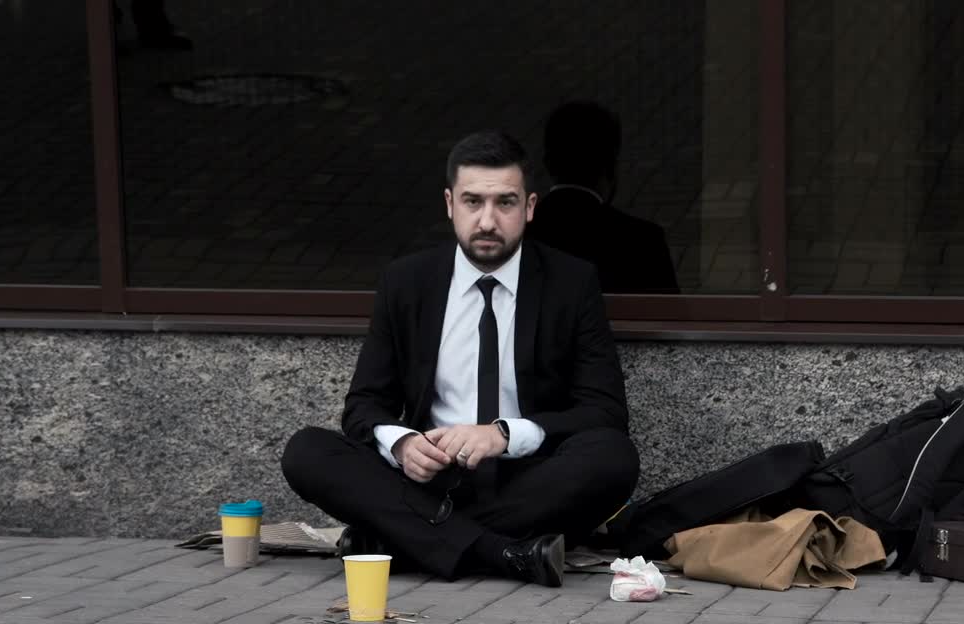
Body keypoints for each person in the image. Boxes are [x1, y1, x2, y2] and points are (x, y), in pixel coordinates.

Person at [281, 131, 640, 587]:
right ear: (450, 204)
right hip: (427, 479)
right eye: (473, 202)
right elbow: (364, 405)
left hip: (526, 480)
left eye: (505, 203)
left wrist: (503, 435)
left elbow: (605, 411)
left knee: (614, 457)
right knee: (308, 451)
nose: (487, 220)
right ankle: (502, 552)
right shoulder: (407, 282)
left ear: (530, 207)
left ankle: (401, 539)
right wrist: (403, 445)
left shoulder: (571, 283)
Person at [527, 101, 680, 294]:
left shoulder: (515, 235)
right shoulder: (644, 242)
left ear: (548, 165)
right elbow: (667, 311)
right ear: (610, 166)